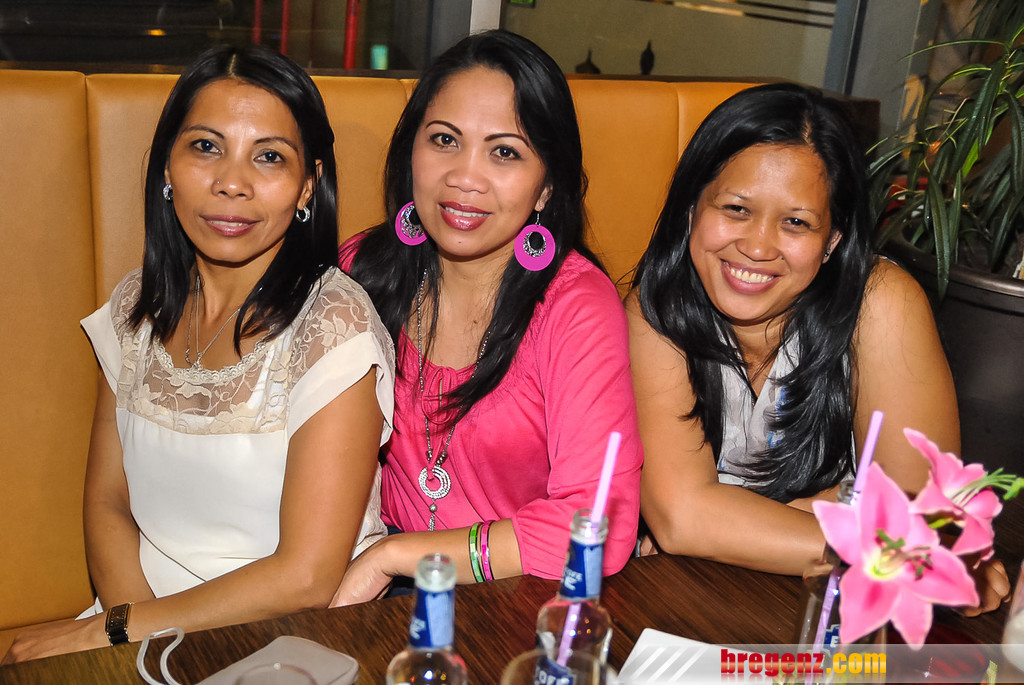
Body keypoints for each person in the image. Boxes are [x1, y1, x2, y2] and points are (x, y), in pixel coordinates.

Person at [4, 45, 394, 663]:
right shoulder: (138, 305)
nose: (231, 182)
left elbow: (306, 576)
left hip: (286, 641)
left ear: (307, 186)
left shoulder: (333, 324)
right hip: (136, 620)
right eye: (206, 147)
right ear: (167, 165)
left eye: (269, 156)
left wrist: (117, 634)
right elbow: (108, 501)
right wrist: (136, 641)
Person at [627, 83, 1008, 611]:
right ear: (692, 209)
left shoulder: (880, 303)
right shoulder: (655, 310)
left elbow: (925, 514)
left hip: (836, 612)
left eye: (796, 222)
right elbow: (683, 518)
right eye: (736, 208)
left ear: (832, 240)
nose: (757, 246)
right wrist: (879, 547)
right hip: (697, 603)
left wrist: (735, 521)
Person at [335, 30, 642, 601]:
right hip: (366, 575)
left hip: (512, 596)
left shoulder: (575, 306)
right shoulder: (362, 272)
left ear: (545, 187)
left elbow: (600, 526)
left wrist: (398, 556)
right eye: (444, 140)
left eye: (504, 152)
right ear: (410, 153)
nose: (464, 178)